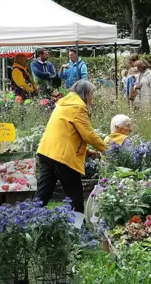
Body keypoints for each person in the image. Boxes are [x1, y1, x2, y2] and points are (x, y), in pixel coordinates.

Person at [35, 80, 107, 213]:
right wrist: (107, 149)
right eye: (92, 94)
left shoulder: (63, 104)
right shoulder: (79, 107)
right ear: (84, 94)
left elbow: (66, 134)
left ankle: (25, 222)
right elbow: (88, 135)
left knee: (42, 194)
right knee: (75, 196)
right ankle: (79, 229)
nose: (93, 98)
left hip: (46, 152)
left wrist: (87, 151)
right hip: (62, 157)